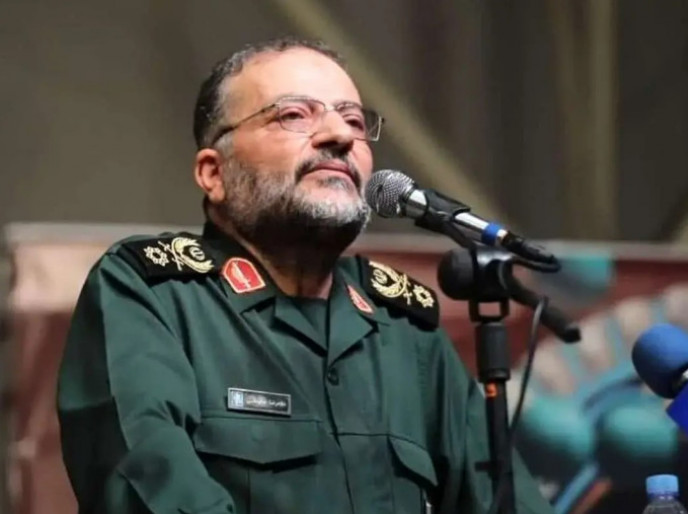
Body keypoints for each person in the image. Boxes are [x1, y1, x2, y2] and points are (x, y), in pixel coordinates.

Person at [57, 36, 553, 514]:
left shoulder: (406, 329)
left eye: (353, 120)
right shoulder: (153, 292)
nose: (341, 136)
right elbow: (148, 485)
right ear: (214, 173)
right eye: (294, 114)